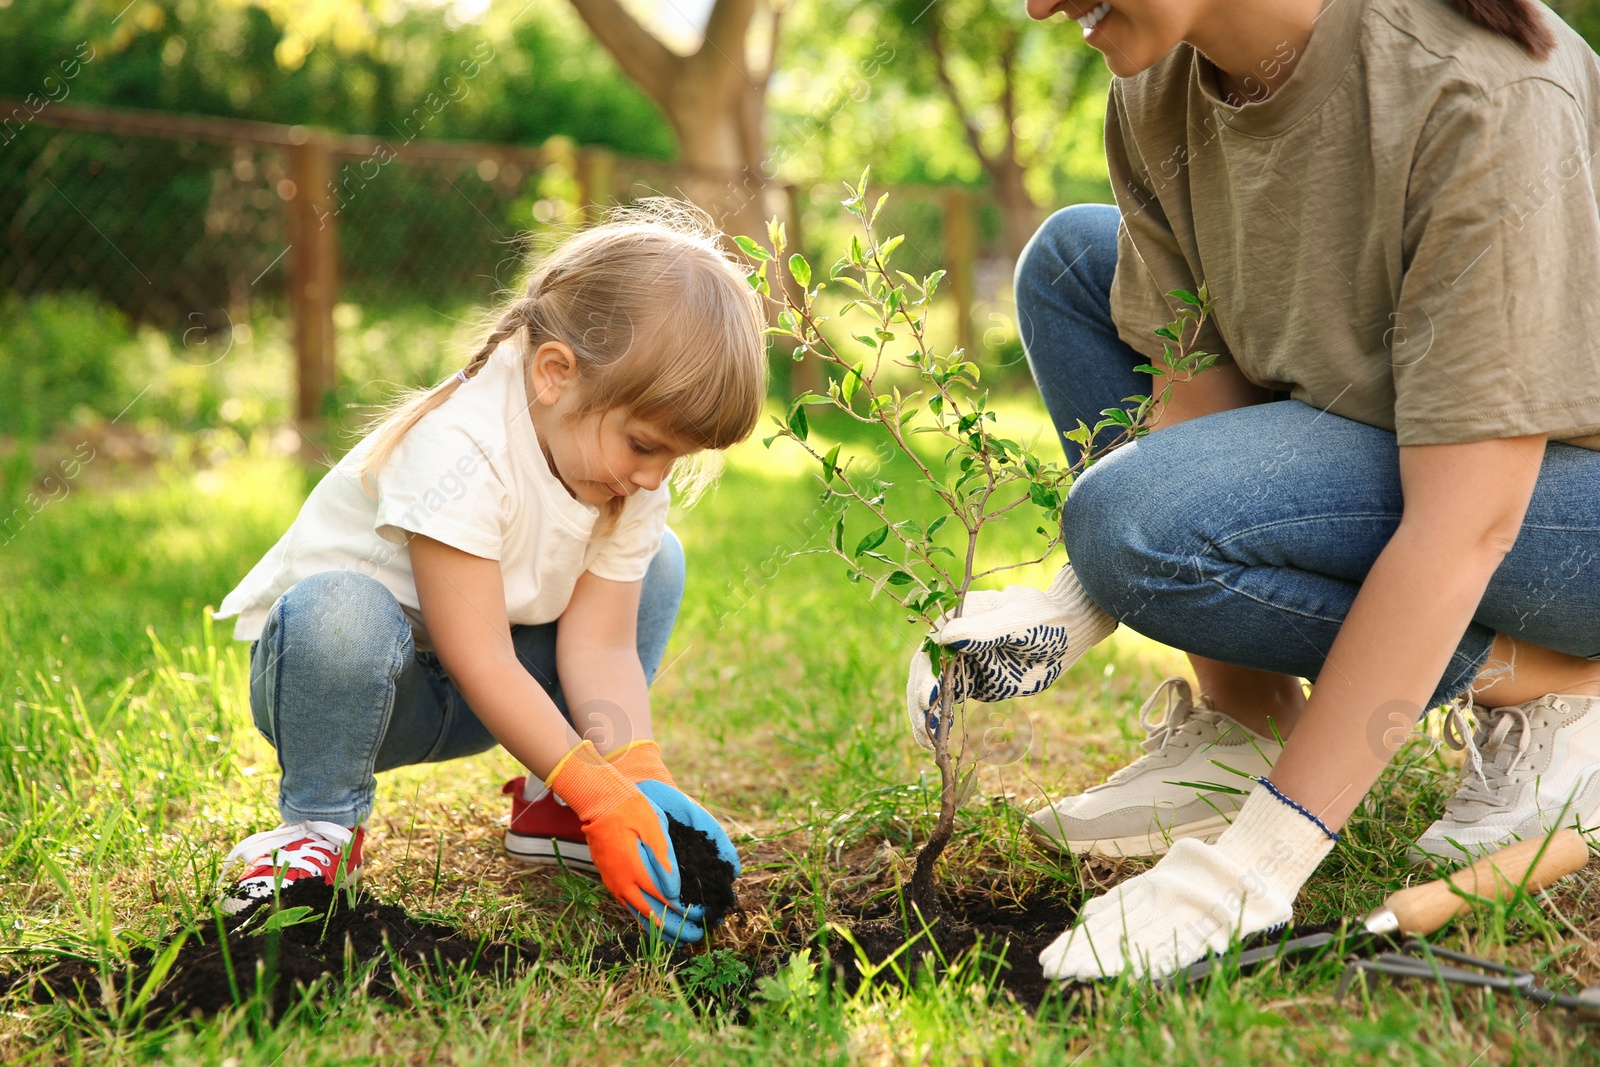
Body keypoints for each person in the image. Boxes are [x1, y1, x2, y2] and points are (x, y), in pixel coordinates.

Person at [907, 0, 1600, 979]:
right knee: (1069, 266)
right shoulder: (1158, 83)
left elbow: (1465, 523)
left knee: (1132, 517)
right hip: (1394, 435)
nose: (1036, 7)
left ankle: (1559, 688)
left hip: (1567, 502)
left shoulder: (1477, 90)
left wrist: (1249, 869)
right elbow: (1197, 418)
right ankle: (1243, 724)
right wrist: (1065, 611)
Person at [213, 202, 764, 942]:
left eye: (676, 457)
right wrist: (598, 787)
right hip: (354, 690)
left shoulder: (625, 476)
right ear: (555, 374)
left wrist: (636, 770)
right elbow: (477, 655)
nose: (654, 476)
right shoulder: (463, 448)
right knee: (339, 609)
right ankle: (317, 830)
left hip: (493, 694)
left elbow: (599, 647)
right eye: (642, 445)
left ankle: (552, 808)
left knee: (659, 561)